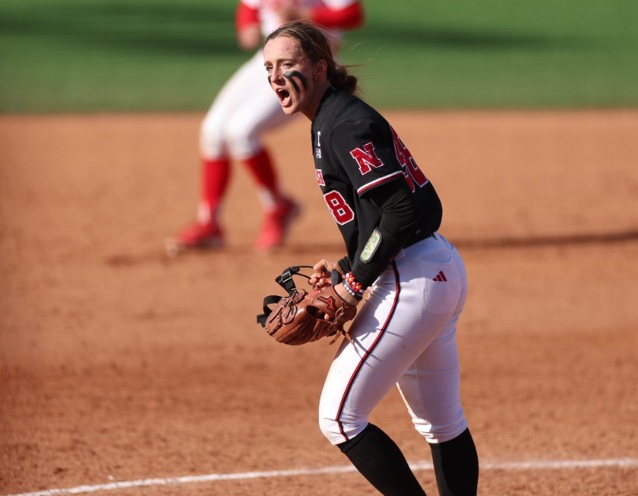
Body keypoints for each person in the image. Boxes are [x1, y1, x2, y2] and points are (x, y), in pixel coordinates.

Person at [263, 21, 480, 495]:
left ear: (320, 67)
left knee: (338, 418)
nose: (276, 76)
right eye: (268, 68)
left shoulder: (345, 123)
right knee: (441, 424)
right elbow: (386, 217)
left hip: (412, 281)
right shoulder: (331, 119)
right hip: (433, 270)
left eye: (287, 65)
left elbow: (402, 210)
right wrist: (345, 269)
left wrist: (351, 285)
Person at [166, 0, 364, 255]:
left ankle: (277, 208)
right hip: (268, 58)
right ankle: (210, 223)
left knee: (241, 132)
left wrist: (304, 14)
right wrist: (246, 25)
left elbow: (353, 13)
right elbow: (249, 7)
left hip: (308, 65)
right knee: (213, 131)